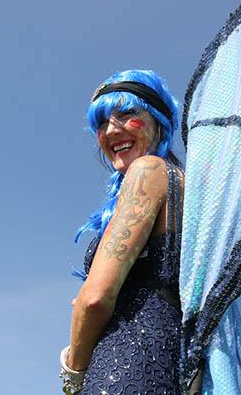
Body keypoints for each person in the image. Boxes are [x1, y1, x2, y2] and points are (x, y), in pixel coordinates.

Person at [59, 70, 184, 394]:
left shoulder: (148, 172)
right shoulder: (184, 186)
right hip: (168, 366)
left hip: (127, 366)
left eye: (127, 114)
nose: (111, 130)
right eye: (101, 123)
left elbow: (96, 298)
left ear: (158, 120)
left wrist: (72, 372)